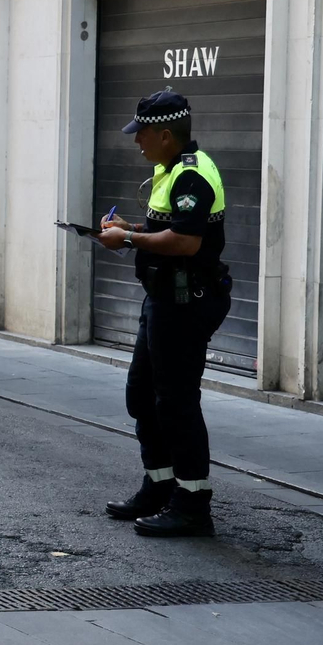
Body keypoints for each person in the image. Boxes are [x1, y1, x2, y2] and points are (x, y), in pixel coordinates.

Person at [98, 90, 232, 538]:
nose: (137, 143)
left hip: (186, 302)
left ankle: (193, 504)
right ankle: (159, 484)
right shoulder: (167, 170)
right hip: (161, 298)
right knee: (142, 395)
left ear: (165, 135)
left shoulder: (193, 175)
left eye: (142, 135)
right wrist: (128, 229)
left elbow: (186, 242)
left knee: (175, 402)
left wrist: (129, 241)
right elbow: (163, 229)